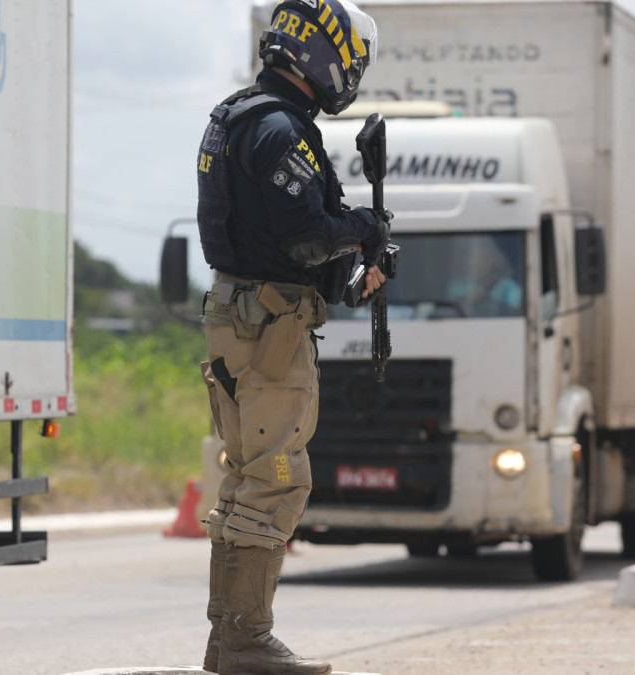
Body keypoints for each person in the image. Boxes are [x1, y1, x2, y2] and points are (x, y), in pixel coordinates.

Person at [194, 2, 387, 673]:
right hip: (268, 329)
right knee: (277, 479)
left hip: (240, 318)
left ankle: (228, 639)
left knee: (248, 479)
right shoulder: (280, 128)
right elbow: (305, 238)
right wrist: (362, 228)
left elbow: (272, 240)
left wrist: (351, 276)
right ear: (324, 54)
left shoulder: (239, 116)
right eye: (351, 62)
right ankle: (246, 638)